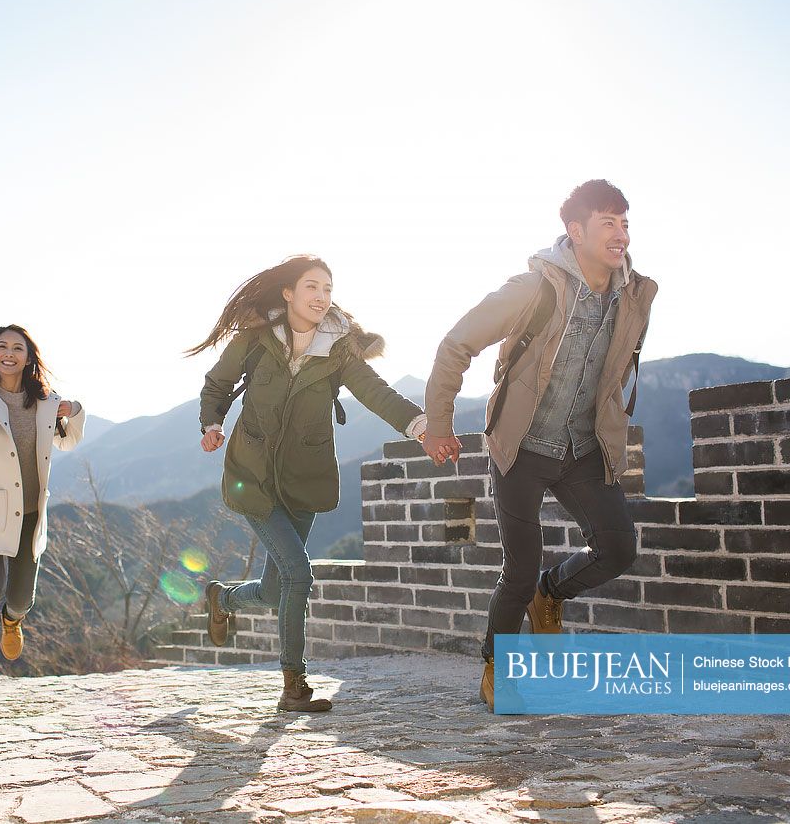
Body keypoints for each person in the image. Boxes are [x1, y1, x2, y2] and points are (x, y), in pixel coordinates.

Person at [422, 180, 658, 711]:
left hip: (583, 449)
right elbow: (456, 342)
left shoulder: (635, 294)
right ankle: (496, 667)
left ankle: (551, 593)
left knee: (619, 547)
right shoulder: (536, 287)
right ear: (575, 231)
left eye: (625, 222)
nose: (620, 234)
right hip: (522, 447)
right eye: (607, 223)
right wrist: (439, 425)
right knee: (519, 566)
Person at [191, 255, 426, 712]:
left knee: (278, 590)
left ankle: (223, 598)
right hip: (252, 478)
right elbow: (216, 384)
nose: (321, 298)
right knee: (300, 574)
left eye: (328, 290)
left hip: (305, 478)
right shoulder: (255, 341)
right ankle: (293, 686)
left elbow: (377, 392)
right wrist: (211, 424)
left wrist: (421, 426)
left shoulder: (339, 350)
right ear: (288, 293)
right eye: (312, 287)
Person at [0, 325, 85, 695]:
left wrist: (75, 411)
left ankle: (12, 620)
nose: (9, 353)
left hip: (31, 512)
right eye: (1, 346)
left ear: (28, 356)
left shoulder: (45, 400)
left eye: (18, 347)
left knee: (22, 597)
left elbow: (68, 441)